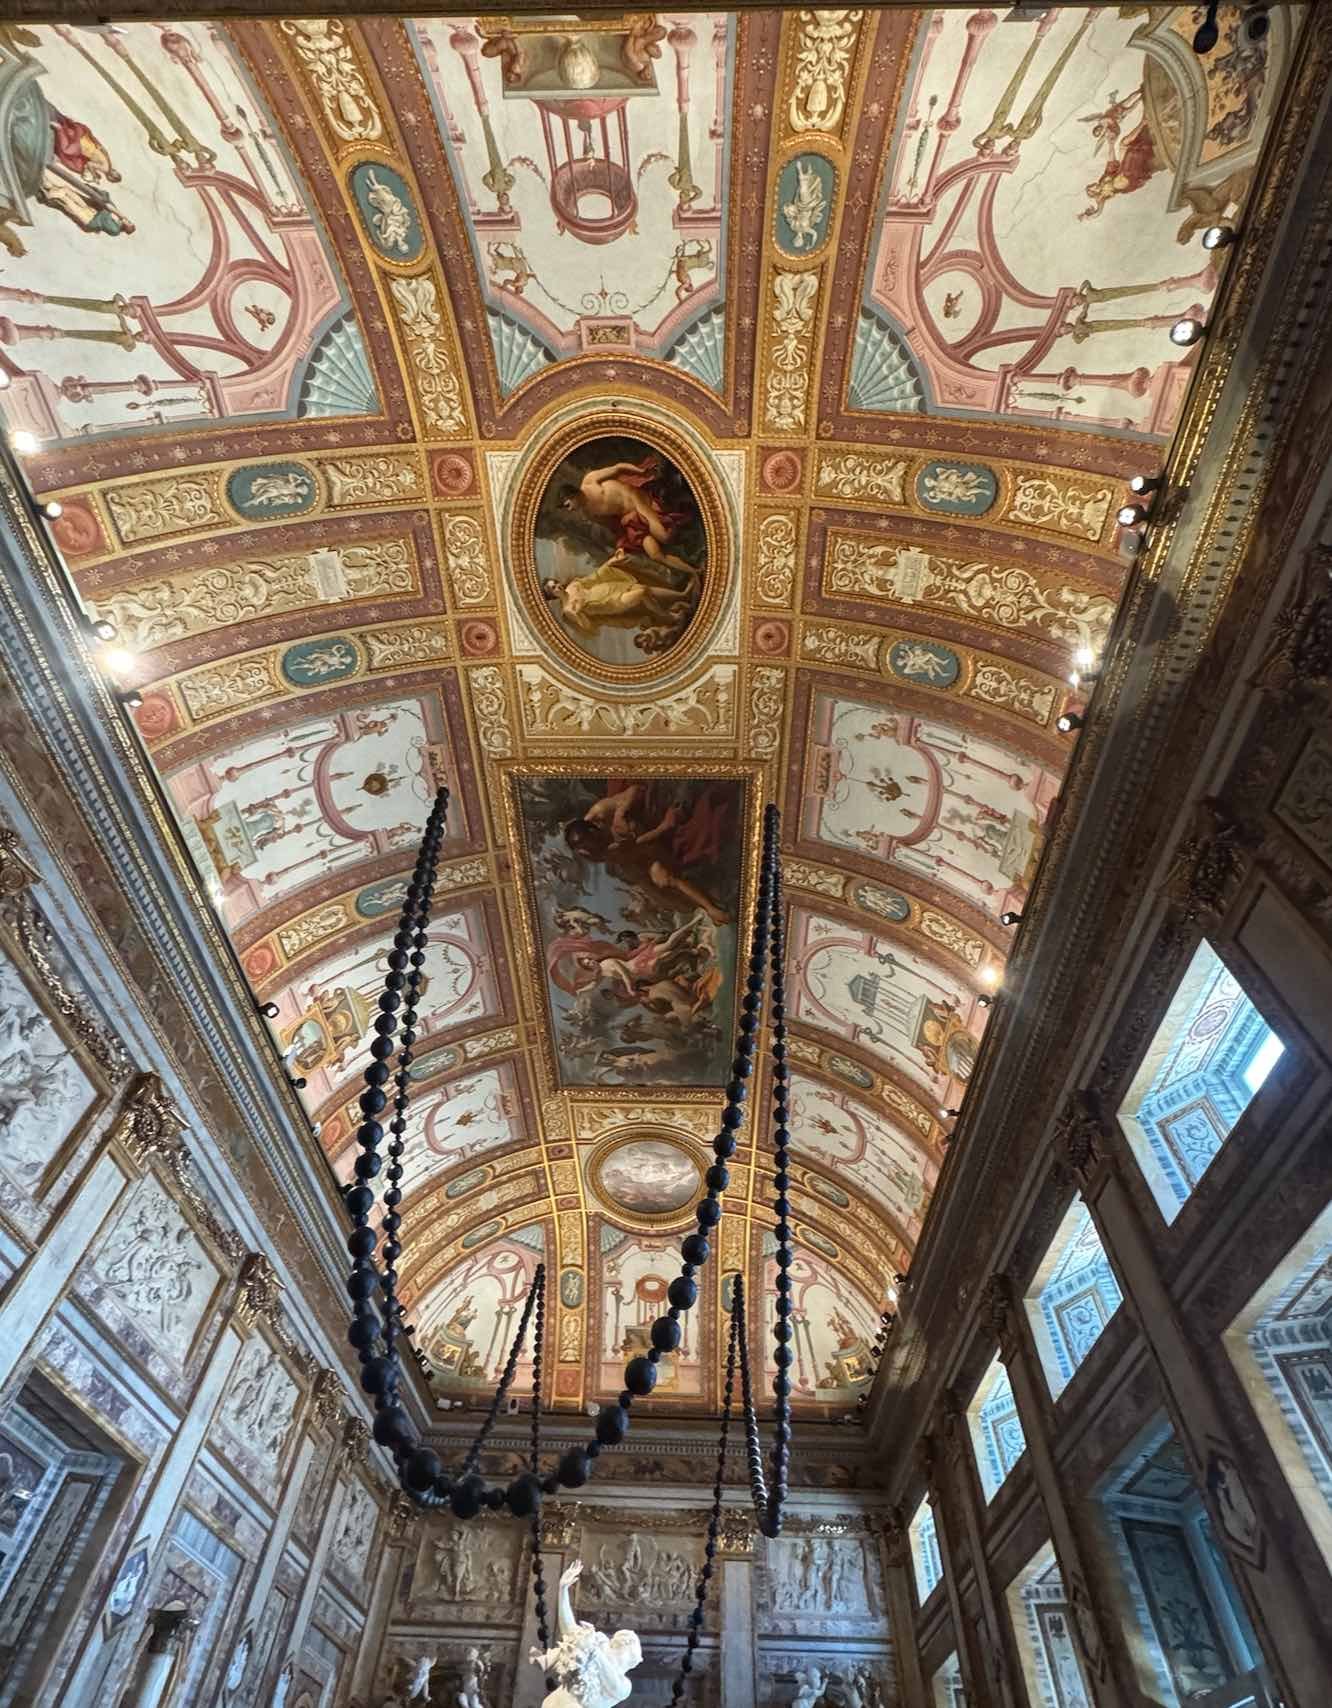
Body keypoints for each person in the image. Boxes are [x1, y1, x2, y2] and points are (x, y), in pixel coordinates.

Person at [558, 455, 700, 580]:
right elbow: (614, 526)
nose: (569, 509)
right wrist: (622, 544)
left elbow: (618, 468)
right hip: (631, 520)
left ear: (571, 495)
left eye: (567, 504)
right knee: (655, 555)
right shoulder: (589, 514)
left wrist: (641, 472)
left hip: (637, 501)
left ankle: (683, 519)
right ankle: (695, 572)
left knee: (664, 537)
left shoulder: (590, 481)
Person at [532, 1561, 642, 1708]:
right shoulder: (597, 1652)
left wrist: (589, 1641)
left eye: (620, 1647)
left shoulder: (624, 1686)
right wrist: (563, 1590)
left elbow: (609, 1676)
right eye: (613, 1645)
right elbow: (568, 1629)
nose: (611, 1648)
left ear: (632, 1660)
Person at [542, 549, 693, 638]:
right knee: (641, 593)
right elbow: (589, 628)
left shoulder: (573, 586)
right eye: (554, 588)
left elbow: (595, 577)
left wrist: (612, 561)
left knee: (646, 589)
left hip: (611, 587)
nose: (558, 586)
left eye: (555, 583)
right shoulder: (568, 610)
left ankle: (682, 595)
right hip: (610, 603)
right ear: (553, 596)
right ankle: (666, 617)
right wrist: (579, 612)